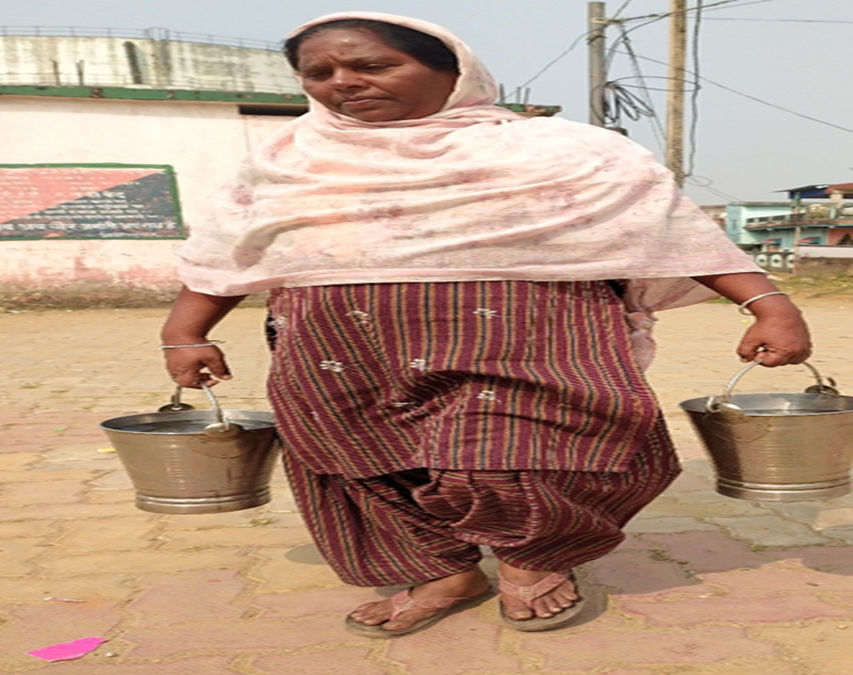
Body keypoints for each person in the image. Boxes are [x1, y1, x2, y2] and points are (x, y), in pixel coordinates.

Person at [161, 11, 811, 638]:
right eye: (319, 72)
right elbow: (229, 251)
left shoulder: (565, 151)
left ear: (455, 71)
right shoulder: (286, 160)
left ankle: (533, 557)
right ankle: (444, 572)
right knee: (362, 461)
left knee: (522, 452)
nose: (343, 82)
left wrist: (769, 305)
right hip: (339, 350)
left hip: (526, 344)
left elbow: (667, 231)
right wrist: (184, 332)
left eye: (372, 65)